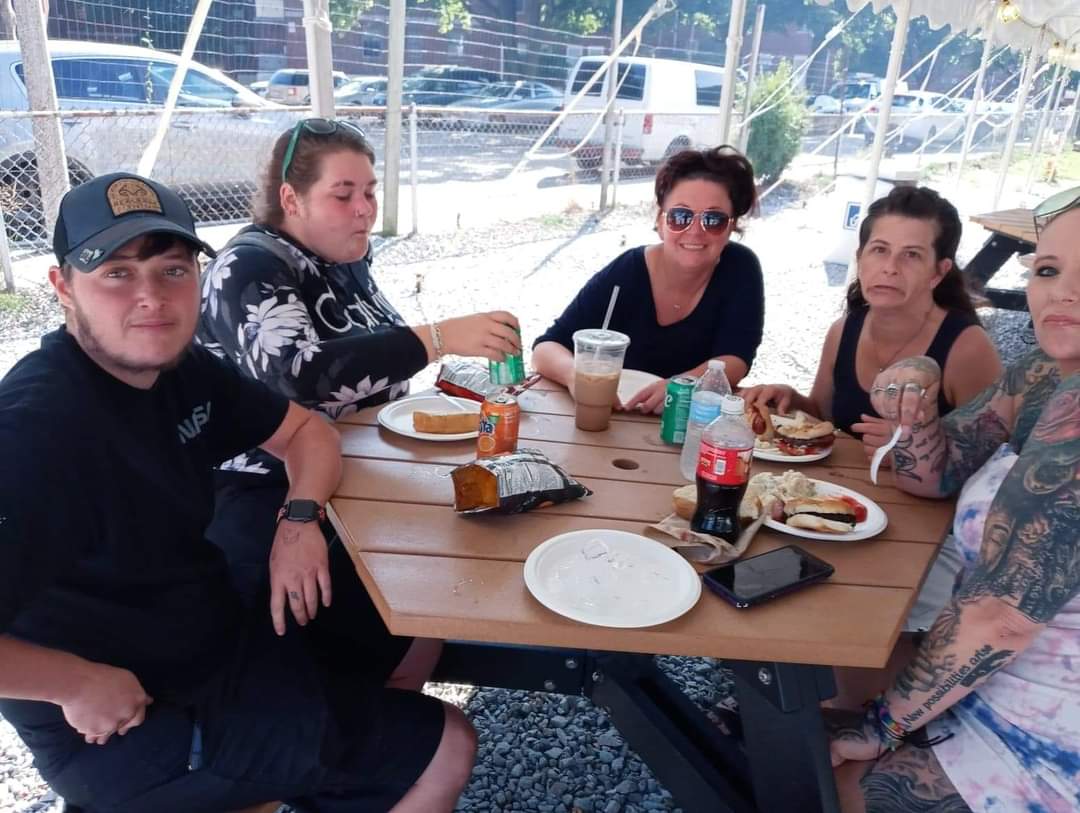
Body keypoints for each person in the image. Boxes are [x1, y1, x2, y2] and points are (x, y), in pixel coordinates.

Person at [0, 173, 475, 813]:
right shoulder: (34, 430)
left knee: (407, 621)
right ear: (63, 286)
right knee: (447, 742)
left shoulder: (177, 369)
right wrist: (73, 683)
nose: (151, 297)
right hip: (131, 723)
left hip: (214, 641)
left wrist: (298, 521)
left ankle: (326, 772)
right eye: (116, 273)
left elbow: (307, 431)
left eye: (172, 270)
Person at [197, 118, 521, 684]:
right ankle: (365, 717)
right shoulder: (248, 266)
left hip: (360, 463)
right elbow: (298, 375)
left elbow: (371, 362)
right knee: (348, 616)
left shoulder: (344, 257)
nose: (364, 209)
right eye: (343, 195)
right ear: (291, 199)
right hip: (266, 481)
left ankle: (399, 709)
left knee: (464, 546)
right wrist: (437, 337)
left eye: (370, 192)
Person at [829, 188, 1080, 813]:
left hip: (1045, 728)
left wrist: (883, 725)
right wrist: (916, 398)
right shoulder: (1044, 373)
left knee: (819, 779)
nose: (1063, 293)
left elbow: (1002, 617)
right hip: (987, 670)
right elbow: (935, 474)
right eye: (1048, 270)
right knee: (820, 676)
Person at [743, 185, 1001, 458]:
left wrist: (912, 450)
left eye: (911, 254)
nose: (890, 267)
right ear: (860, 258)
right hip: (843, 483)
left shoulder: (966, 347)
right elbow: (823, 418)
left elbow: (993, 458)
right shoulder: (843, 331)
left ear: (939, 272)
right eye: (879, 250)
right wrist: (789, 399)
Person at [531, 145, 765, 413]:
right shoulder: (627, 271)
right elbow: (546, 348)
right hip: (612, 415)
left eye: (714, 220)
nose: (695, 231)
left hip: (692, 421)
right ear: (661, 221)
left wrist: (682, 385)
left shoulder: (740, 267)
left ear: (731, 226)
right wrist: (578, 378)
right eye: (681, 216)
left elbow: (736, 357)